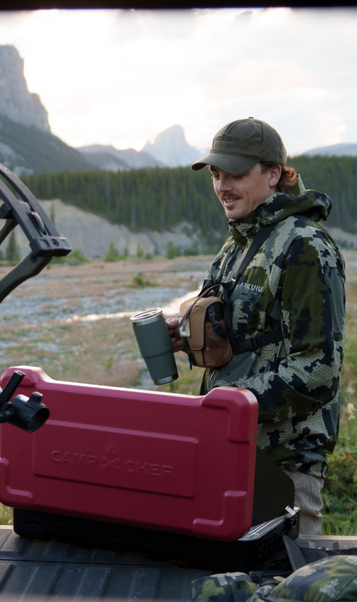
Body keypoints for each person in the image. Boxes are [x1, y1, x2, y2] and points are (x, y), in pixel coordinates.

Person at [166, 117, 345, 536]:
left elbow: (320, 370)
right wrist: (190, 336)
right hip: (230, 450)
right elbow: (244, 336)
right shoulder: (238, 243)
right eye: (216, 174)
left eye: (237, 174)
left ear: (273, 173)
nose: (222, 186)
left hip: (283, 463)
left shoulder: (305, 246)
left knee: (284, 586)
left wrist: (233, 404)